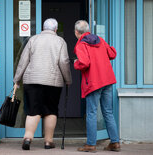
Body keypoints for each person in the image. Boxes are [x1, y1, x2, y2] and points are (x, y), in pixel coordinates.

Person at [13, 18, 72, 150]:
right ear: (55, 29)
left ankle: (28, 138)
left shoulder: (33, 39)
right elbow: (64, 62)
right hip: (53, 81)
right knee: (50, 110)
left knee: (33, 110)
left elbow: (23, 61)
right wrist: (68, 80)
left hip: (32, 80)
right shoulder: (60, 41)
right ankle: (48, 141)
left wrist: (17, 79)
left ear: (43, 28)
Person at [73, 20, 120, 152]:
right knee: (108, 112)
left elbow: (84, 63)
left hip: (94, 82)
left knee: (92, 113)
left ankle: (91, 144)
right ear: (88, 30)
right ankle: (115, 142)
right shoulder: (99, 39)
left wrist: (76, 63)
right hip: (107, 80)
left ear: (77, 32)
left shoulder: (81, 44)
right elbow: (112, 54)